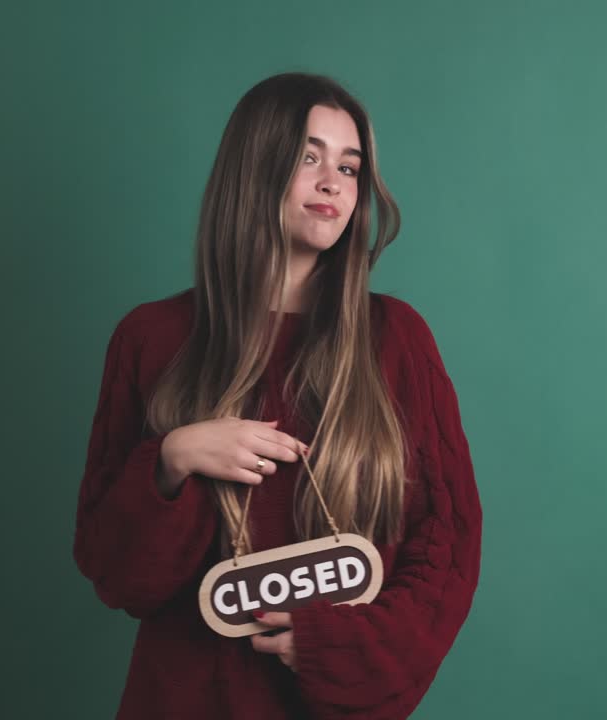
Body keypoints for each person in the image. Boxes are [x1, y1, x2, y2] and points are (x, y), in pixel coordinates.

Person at [73, 72, 482, 719]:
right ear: (254, 167)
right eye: (308, 157)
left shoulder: (397, 338)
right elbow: (112, 570)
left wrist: (337, 647)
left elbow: (448, 546)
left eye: (349, 167)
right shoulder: (151, 337)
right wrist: (171, 459)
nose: (332, 183)